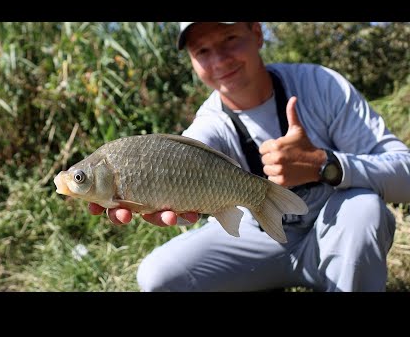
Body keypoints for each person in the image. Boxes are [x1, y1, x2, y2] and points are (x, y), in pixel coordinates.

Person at [89, 22, 410, 292]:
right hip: (258, 241)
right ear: (191, 61)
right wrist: (167, 195)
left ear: (257, 33)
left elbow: (405, 173)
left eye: (229, 39)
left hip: (335, 234)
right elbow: (188, 149)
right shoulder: (210, 121)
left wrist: (326, 165)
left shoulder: (322, 86)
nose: (219, 60)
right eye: (202, 51)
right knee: (157, 275)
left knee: (364, 209)